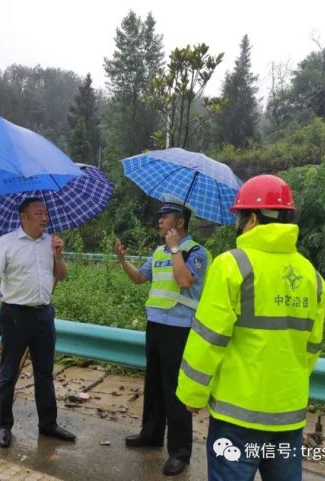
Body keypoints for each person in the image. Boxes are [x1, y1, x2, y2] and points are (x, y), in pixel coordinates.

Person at [177, 175, 325, 481]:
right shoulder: (313, 277)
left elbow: (208, 338)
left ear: (254, 219)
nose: (238, 224)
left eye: (240, 217)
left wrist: (192, 394)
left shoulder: (232, 265)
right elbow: (311, 350)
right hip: (288, 416)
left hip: (237, 417)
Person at [114, 197, 211, 476]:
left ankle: (180, 452)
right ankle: (151, 435)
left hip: (179, 328)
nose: (159, 220)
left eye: (165, 215)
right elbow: (139, 278)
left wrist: (175, 249)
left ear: (179, 222)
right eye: (159, 215)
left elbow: (184, 281)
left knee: (175, 390)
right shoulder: (158, 252)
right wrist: (122, 260)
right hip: (155, 324)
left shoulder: (196, 252)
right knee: (154, 384)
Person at [0, 197, 76, 448]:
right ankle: (3, 422)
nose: (44, 218)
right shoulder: (6, 243)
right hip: (14, 315)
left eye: (46, 213)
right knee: (8, 372)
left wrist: (58, 256)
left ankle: (48, 424)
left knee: (45, 373)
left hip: (44, 315)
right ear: (23, 217)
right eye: (38, 213)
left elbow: (62, 276)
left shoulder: (50, 242)